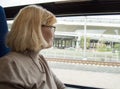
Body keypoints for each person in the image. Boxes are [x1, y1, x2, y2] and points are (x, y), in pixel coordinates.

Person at [0, 5, 66, 89]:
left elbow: (61, 87)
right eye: (51, 27)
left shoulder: (40, 59)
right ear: (35, 29)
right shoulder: (9, 65)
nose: (54, 32)